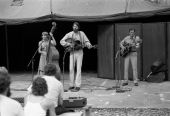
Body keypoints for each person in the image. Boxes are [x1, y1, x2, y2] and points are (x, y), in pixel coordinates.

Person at [60, 22, 92, 92]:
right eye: (74, 26)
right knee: (71, 68)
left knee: (78, 69)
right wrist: (69, 44)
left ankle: (77, 85)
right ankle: (71, 85)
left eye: (76, 26)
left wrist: (88, 44)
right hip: (72, 52)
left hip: (80, 52)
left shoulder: (82, 33)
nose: (75, 27)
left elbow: (86, 41)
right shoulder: (69, 34)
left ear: (78, 27)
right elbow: (61, 41)